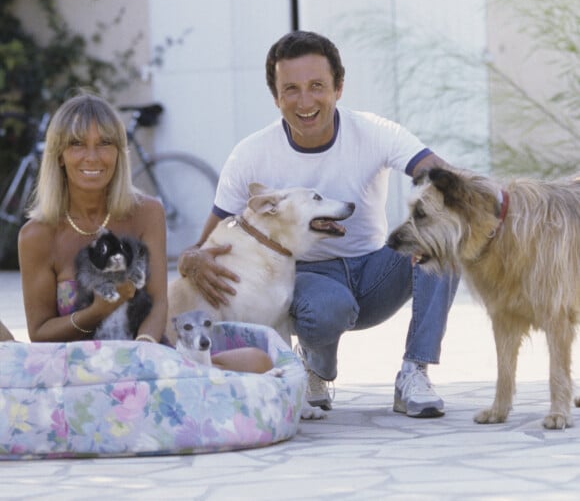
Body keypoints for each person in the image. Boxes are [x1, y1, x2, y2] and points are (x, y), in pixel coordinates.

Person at [178, 31, 459, 416]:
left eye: (317, 86)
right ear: (276, 97)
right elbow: (208, 238)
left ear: (339, 88)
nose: (305, 101)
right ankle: (314, 365)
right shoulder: (250, 155)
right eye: (290, 89)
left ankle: (415, 371)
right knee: (325, 309)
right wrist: (191, 260)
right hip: (310, 280)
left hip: (376, 271)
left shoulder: (375, 132)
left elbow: (442, 175)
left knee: (445, 238)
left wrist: (470, 206)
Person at [18, 92, 272, 373]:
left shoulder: (147, 212)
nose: (92, 157)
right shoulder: (37, 235)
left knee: (257, 360)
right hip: (76, 374)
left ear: (118, 152)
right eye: (77, 144)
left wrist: (144, 352)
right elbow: (40, 334)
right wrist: (96, 312)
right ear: (60, 156)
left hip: (145, 360)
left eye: (105, 143)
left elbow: (158, 302)